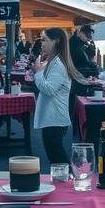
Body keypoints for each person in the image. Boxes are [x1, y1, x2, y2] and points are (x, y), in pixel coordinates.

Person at [32, 28, 81, 165]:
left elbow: (48, 89)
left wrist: (38, 73)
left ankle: (68, 182)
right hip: (52, 117)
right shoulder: (53, 61)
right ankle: (65, 181)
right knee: (55, 156)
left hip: (55, 118)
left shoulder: (58, 64)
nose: (42, 44)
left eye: (45, 40)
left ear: (56, 41)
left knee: (58, 158)